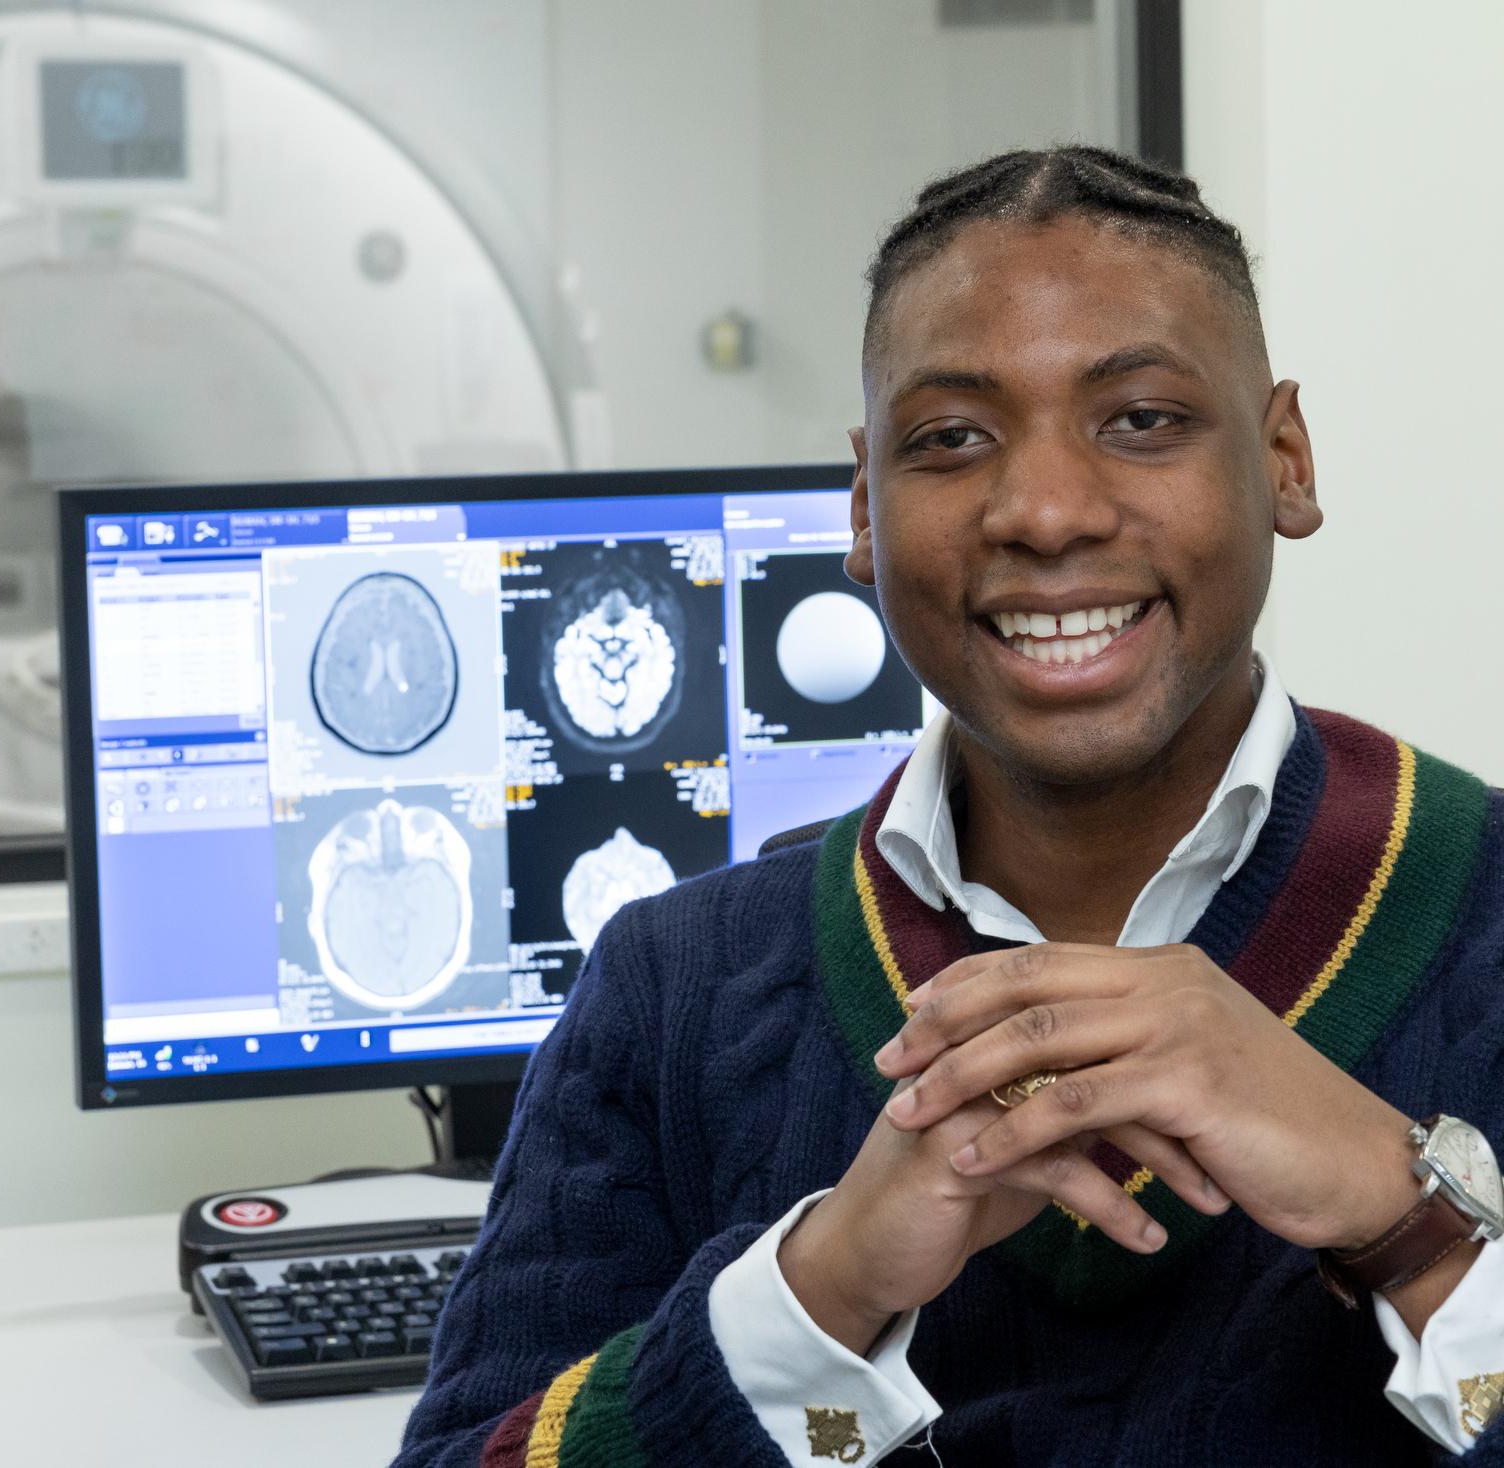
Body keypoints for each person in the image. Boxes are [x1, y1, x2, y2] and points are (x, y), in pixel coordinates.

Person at [395, 146, 1504, 1467]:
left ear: (1284, 459)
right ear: (866, 509)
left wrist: (1413, 1223)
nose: (1042, 512)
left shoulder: (1482, 907)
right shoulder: (671, 992)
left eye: (1142, 418)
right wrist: (821, 1289)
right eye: (952, 439)